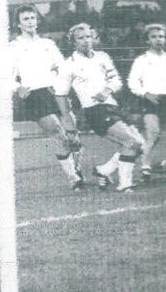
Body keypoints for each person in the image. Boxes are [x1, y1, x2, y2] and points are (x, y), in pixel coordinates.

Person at [55, 23, 145, 193]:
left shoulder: (102, 56)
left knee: (139, 144)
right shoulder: (69, 65)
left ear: (93, 38)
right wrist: (68, 124)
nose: (86, 41)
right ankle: (124, 185)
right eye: (80, 38)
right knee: (131, 142)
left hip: (112, 107)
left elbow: (116, 81)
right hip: (95, 111)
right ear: (73, 42)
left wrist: (106, 91)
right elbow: (60, 95)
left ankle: (103, 171)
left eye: (88, 36)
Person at [10, 5, 83, 191]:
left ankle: (77, 169)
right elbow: (5, 75)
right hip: (34, 95)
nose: (30, 22)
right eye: (25, 19)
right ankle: (74, 178)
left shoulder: (48, 44)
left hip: (56, 92)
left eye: (32, 18)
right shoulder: (13, 47)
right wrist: (17, 88)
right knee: (60, 133)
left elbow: (62, 67)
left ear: (37, 20)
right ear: (18, 23)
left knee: (73, 136)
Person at [128, 24, 166, 180]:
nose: (158, 39)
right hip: (151, 101)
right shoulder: (142, 60)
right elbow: (133, 82)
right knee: (153, 134)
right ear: (147, 40)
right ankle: (145, 167)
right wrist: (145, 94)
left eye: (161, 36)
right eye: (154, 37)